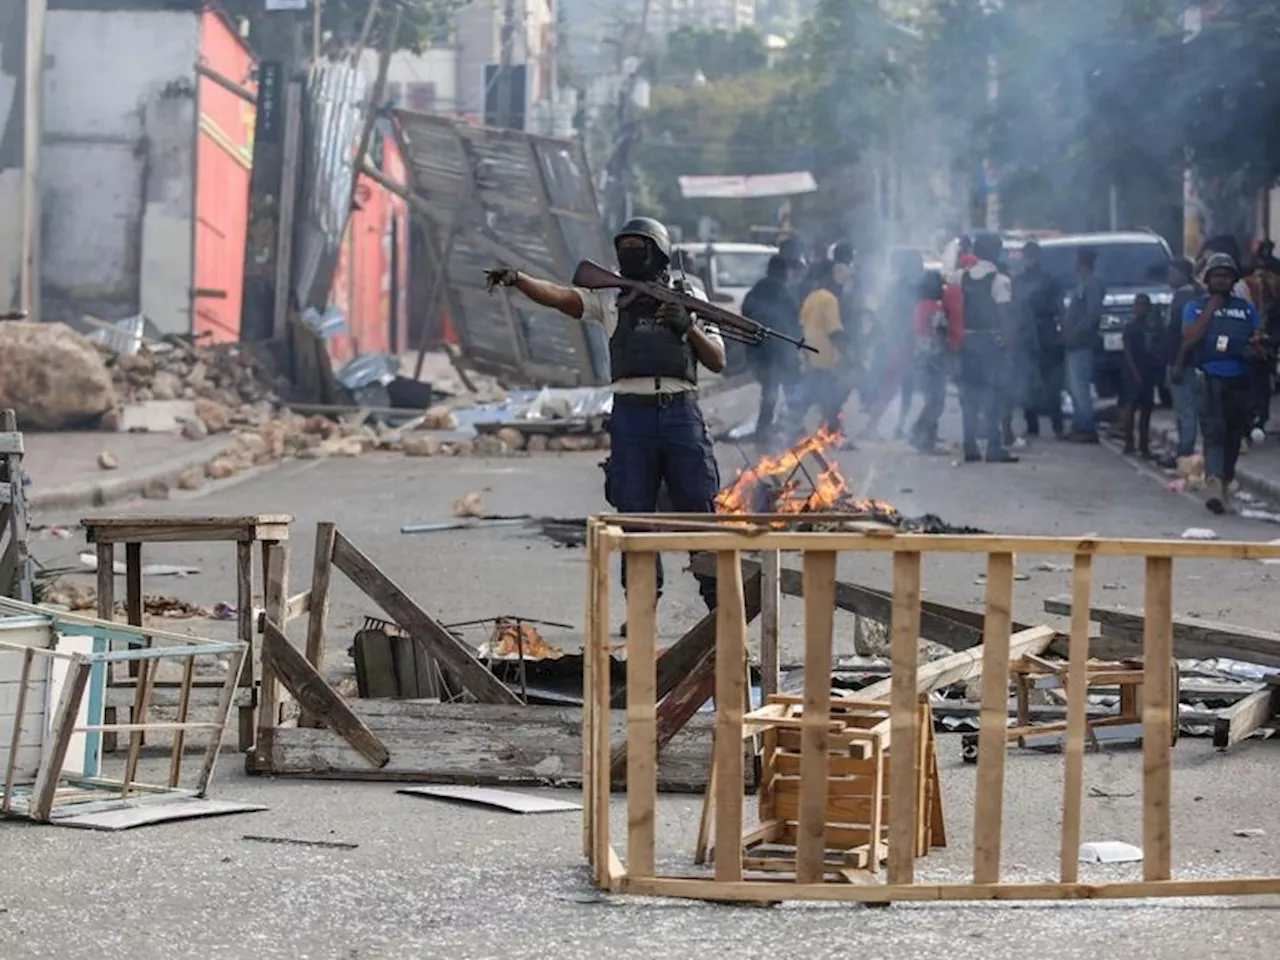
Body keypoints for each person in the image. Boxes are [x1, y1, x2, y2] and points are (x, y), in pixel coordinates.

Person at [484, 216, 725, 619]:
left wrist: (687, 328)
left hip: (681, 412)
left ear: (659, 252)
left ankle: (721, 611)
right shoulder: (611, 296)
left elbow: (717, 359)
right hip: (632, 416)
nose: (629, 254)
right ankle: (642, 613)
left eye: (638, 246)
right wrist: (518, 279)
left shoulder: (690, 295)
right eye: (624, 246)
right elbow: (561, 297)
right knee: (634, 519)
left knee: (699, 511)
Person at [1180, 252, 1265, 514]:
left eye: (1226, 276)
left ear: (1233, 280)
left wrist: (1256, 346)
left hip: (1240, 380)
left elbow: (1258, 337)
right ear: (1208, 280)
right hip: (1210, 378)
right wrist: (1210, 310)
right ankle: (1214, 484)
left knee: (1232, 436)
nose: (1221, 280)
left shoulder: (1245, 309)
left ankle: (1224, 481)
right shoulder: (1195, 306)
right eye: (1216, 275)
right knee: (1213, 433)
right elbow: (1190, 337)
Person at [956, 233, 1018, 463]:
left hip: (967, 342)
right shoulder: (1000, 280)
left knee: (969, 396)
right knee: (993, 396)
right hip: (991, 343)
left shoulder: (961, 277)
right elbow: (1005, 316)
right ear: (996, 252)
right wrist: (1009, 344)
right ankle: (993, 447)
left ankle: (969, 445)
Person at [861, 248, 924, 441]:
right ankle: (876, 427)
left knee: (896, 387)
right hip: (901, 343)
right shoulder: (909, 288)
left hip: (895, 342)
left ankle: (892, 427)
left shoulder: (896, 287)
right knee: (894, 387)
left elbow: (880, 314)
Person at [741, 254, 802, 443]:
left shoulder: (756, 290)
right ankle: (791, 426)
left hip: (758, 351)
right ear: (782, 271)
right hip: (780, 351)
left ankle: (764, 428)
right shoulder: (785, 293)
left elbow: (746, 314)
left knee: (770, 391)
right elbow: (794, 323)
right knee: (790, 389)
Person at [1014, 241, 1066, 439]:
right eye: (1027, 255)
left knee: (1051, 383)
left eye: (1032, 255)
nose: (1029, 259)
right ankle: (1032, 425)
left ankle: (1057, 425)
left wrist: (1064, 330)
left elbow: (1059, 307)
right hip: (1025, 335)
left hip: (1046, 335)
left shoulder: (1049, 281)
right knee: (1026, 383)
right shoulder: (1017, 281)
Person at [795, 258, 853, 436]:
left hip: (813, 358)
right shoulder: (829, 300)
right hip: (827, 358)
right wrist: (849, 357)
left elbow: (802, 328)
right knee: (834, 396)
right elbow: (834, 331)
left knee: (819, 396)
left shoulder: (811, 298)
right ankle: (832, 432)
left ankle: (828, 430)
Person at [1160, 257, 1203, 468]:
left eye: (1172, 273)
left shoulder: (1187, 299)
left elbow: (1187, 335)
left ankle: (1186, 451)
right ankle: (1182, 450)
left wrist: (1178, 362)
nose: (1169, 277)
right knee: (1180, 409)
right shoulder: (1181, 296)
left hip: (1183, 362)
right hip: (1175, 359)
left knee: (1186, 409)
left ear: (1183, 274)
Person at [909, 268, 959, 454]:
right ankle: (919, 434)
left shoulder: (919, 305)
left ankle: (926, 439)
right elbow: (941, 331)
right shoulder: (935, 307)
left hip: (921, 356)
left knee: (931, 399)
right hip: (934, 358)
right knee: (936, 401)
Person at [1062, 246, 1106, 442]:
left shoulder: (1092, 285)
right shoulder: (1082, 284)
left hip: (1083, 342)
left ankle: (1087, 427)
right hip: (1074, 343)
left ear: (1082, 262)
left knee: (1080, 386)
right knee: (1073, 385)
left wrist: (1076, 331)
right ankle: (1079, 424)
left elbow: (1093, 313)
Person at [1120, 293, 1162, 457]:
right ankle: (1129, 442)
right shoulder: (1130, 327)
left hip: (1148, 372)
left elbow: (1157, 348)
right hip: (1133, 372)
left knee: (1146, 409)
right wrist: (1134, 372)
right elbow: (1127, 352)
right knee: (1130, 407)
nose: (1140, 308)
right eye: (1138, 305)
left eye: (1144, 305)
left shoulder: (1152, 327)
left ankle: (1144, 445)